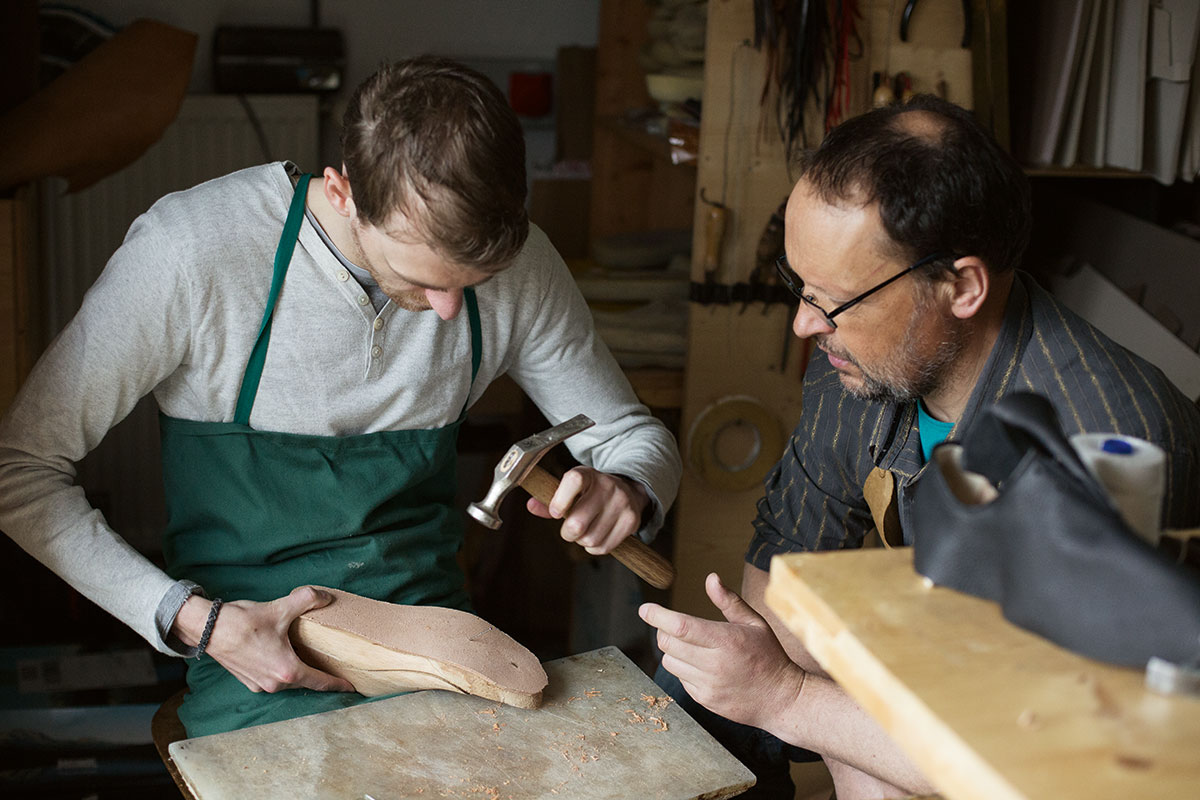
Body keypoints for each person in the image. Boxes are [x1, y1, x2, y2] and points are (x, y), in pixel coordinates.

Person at [0, 56, 681, 738]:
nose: (446, 311)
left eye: (471, 283)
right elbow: (19, 472)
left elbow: (632, 436)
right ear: (343, 191)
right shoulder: (194, 252)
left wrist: (628, 488)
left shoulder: (523, 266)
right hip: (251, 648)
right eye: (420, 278)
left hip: (431, 636)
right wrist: (192, 618)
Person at [639, 94, 1200, 800]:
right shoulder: (864, 359)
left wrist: (793, 702)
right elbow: (790, 563)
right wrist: (783, 700)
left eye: (834, 301)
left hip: (1099, 750)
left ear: (961, 286)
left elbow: (1047, 755)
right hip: (945, 660)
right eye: (800, 287)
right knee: (688, 709)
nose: (806, 325)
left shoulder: (1108, 444)